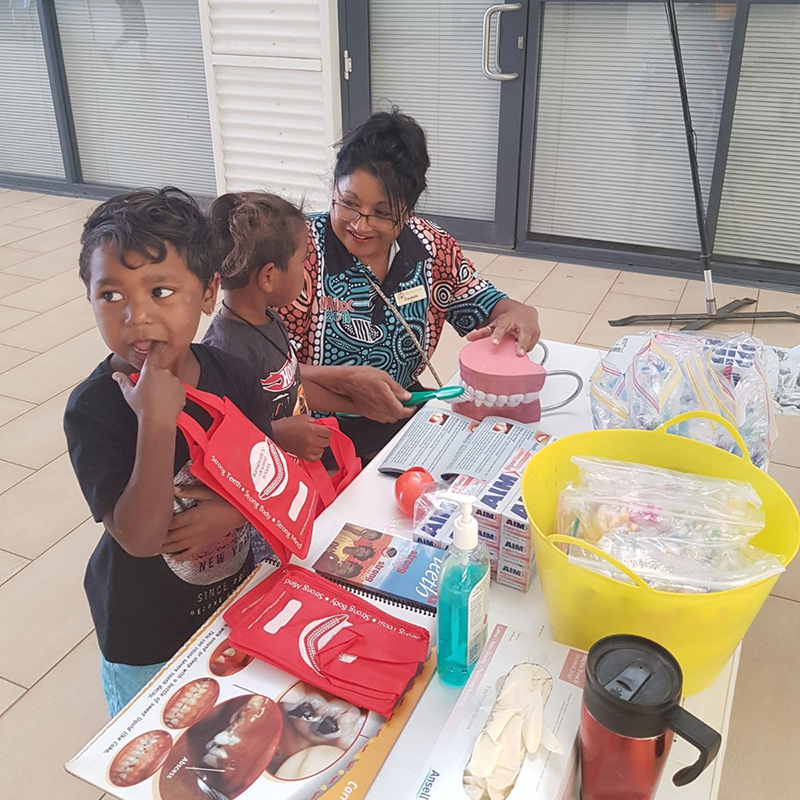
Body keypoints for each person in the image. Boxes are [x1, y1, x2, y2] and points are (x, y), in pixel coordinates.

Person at [64, 188, 274, 717]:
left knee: (229, 731)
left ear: (207, 294)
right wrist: (155, 421)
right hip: (144, 637)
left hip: (233, 599)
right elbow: (138, 537)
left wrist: (228, 511)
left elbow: (269, 478)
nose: (136, 316)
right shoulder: (95, 408)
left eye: (160, 291)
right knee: (158, 750)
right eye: (111, 295)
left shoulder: (235, 377)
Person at [279, 109, 541, 459]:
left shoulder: (432, 249)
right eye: (349, 204)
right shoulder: (296, 251)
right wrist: (346, 388)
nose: (361, 224)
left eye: (383, 213)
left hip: (402, 413)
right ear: (334, 189)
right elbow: (255, 368)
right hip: (307, 431)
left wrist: (521, 313)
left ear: (408, 210)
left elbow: (491, 307)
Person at [203, 192, 358, 464]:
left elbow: (290, 384)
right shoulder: (223, 353)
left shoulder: (269, 319)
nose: (305, 272)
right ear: (269, 277)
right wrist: (276, 435)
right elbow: (219, 443)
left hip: (296, 469)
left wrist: (355, 405)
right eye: (301, 262)